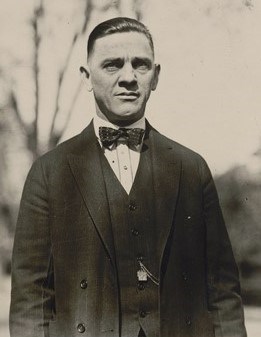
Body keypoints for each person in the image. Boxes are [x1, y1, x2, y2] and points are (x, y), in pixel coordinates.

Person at [10, 17, 247, 337]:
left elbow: (223, 293)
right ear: (86, 77)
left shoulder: (191, 169)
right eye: (112, 65)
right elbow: (31, 299)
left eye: (140, 65)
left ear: (156, 76)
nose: (128, 77)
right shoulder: (49, 173)